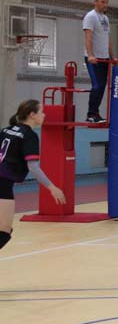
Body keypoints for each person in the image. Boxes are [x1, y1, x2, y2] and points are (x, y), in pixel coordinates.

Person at [1, 100, 67, 250]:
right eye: (41, 112)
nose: (44, 115)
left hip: (3, 182)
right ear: (32, 115)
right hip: (3, 183)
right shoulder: (29, 136)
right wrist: (52, 187)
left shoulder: (6, 130)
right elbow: (33, 167)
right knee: (3, 233)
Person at [82, 0, 117, 123]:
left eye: (106, 2)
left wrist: (112, 56)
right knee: (96, 86)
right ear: (95, 2)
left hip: (104, 58)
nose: (105, 5)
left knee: (102, 86)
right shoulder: (90, 17)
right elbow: (88, 37)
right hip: (94, 59)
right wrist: (90, 55)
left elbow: (107, 39)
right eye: (102, 2)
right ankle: (91, 114)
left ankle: (96, 113)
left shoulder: (105, 19)